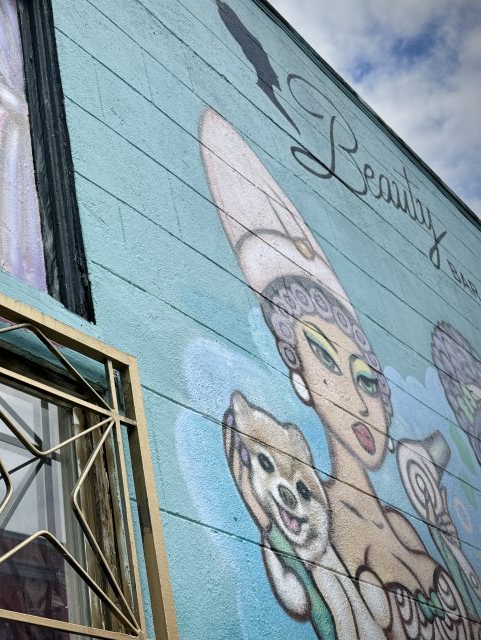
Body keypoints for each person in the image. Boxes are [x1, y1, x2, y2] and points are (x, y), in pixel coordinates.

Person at [200, 108, 477, 639]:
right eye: (326, 360)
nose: (357, 397)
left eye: (368, 380)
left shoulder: (412, 527)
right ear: (298, 378)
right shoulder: (312, 522)